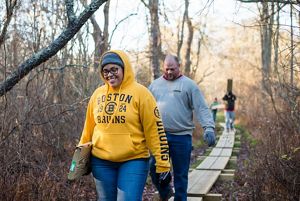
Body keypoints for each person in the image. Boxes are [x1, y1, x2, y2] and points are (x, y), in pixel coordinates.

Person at [78, 50, 171, 201]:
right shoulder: (97, 94)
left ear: (124, 68)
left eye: (114, 69)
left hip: (133, 160)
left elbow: (154, 131)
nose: (110, 74)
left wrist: (163, 164)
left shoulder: (141, 94)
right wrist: (80, 158)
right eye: (105, 71)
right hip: (101, 161)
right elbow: (88, 129)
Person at [148, 54, 216, 201]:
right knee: (154, 169)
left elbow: (201, 108)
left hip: (182, 137)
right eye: (167, 69)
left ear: (179, 67)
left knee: (181, 174)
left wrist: (209, 127)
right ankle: (165, 191)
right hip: (159, 136)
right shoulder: (154, 86)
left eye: (173, 69)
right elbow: (143, 109)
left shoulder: (189, 85)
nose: (170, 72)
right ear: (163, 68)